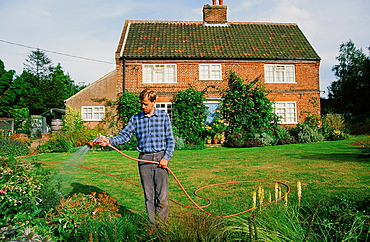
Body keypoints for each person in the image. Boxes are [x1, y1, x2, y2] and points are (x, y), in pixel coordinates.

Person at [99, 89, 175, 229]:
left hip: (160, 159)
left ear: (154, 102)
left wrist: (166, 157)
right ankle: (152, 226)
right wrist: (108, 140)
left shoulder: (163, 117)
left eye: (146, 104)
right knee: (149, 196)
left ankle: (163, 228)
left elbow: (170, 140)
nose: (143, 107)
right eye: (141, 104)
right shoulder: (136, 118)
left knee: (162, 197)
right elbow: (124, 136)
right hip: (144, 160)